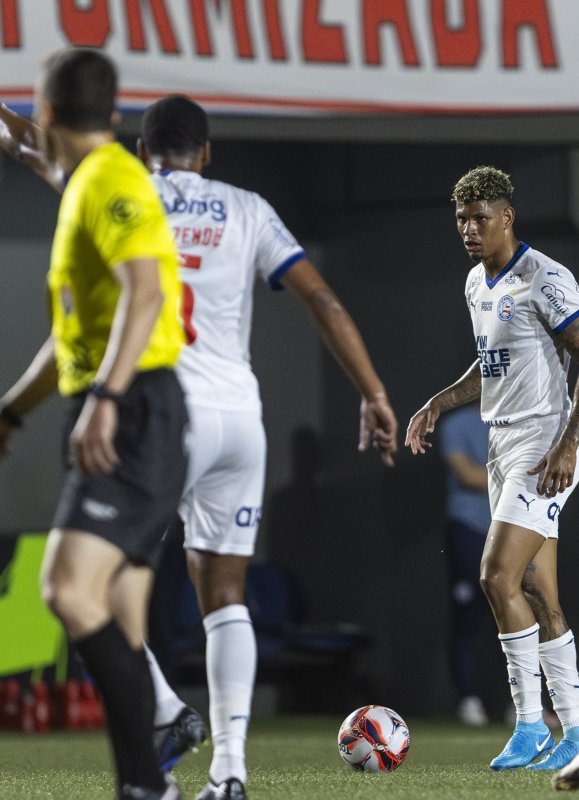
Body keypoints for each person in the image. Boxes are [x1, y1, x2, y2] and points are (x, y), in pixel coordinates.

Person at [1, 94, 400, 800]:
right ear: (206, 152)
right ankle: (231, 771)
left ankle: (162, 710)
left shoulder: (121, 189)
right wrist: (372, 392)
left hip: (162, 415)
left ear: (144, 150)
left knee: (92, 579)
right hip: (240, 420)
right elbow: (323, 299)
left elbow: (33, 146)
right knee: (225, 595)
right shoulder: (248, 209)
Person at [0, 48, 188, 800]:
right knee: (120, 620)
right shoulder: (82, 180)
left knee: (66, 591)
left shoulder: (110, 182)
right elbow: (72, 337)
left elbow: (143, 294)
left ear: (48, 113)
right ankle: (147, 785)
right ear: (112, 116)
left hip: (136, 408)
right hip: (127, 404)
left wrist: (107, 400)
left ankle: (165, 734)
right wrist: (15, 410)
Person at [405, 166, 579, 772]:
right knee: (539, 592)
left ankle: (527, 725)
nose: (469, 229)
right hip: (502, 444)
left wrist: (569, 442)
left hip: (544, 442)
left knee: (496, 576)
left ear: (507, 217)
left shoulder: (543, 276)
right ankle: (577, 729)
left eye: (480, 218)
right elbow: (489, 367)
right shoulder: (476, 282)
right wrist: (438, 402)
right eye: (462, 219)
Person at [437, 403, 494, 727]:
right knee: (467, 616)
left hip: (510, 529)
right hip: (469, 530)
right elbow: (468, 475)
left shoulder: (516, 422)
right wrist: (514, 476)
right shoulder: (456, 424)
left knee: (519, 619)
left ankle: (522, 704)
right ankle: (468, 699)